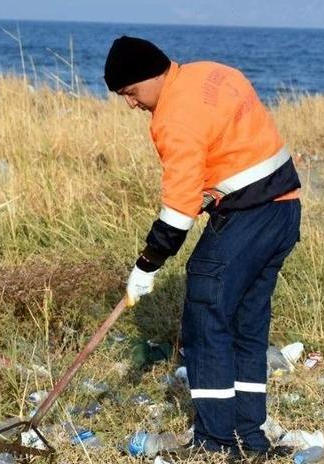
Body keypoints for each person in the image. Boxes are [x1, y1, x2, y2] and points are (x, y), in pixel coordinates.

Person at [103, 36, 301, 461]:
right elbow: (229, 149)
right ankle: (249, 437)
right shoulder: (213, 73)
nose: (131, 105)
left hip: (248, 217)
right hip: (284, 210)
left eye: (131, 93)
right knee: (247, 327)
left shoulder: (173, 117)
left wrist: (147, 265)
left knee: (205, 321)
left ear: (152, 75)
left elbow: (178, 210)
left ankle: (215, 441)